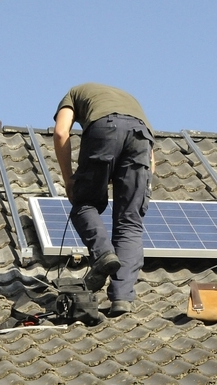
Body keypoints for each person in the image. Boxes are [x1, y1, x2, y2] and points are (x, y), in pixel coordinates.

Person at [53, 83, 155, 317]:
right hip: (142, 138)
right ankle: (121, 298)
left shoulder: (74, 93)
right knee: (130, 222)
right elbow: (151, 161)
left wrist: (69, 180)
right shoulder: (131, 99)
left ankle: (103, 255)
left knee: (84, 203)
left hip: (104, 128)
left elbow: (61, 132)